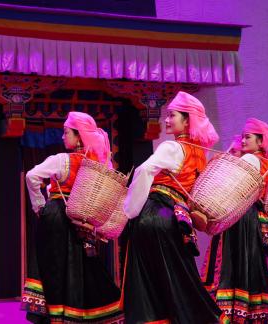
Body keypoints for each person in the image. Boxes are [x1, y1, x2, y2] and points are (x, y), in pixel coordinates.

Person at [121, 91, 222, 323]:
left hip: (155, 212)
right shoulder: (199, 153)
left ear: (187, 120)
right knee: (179, 279)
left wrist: (130, 210)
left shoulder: (172, 147)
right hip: (176, 218)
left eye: (171, 115)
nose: (166, 120)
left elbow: (144, 170)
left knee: (147, 281)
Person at [22, 112, 123, 323]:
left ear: (79, 137)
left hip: (57, 216)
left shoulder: (62, 160)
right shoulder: (98, 165)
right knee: (78, 265)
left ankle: (53, 314)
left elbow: (32, 176)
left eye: (66, 132)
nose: (62, 137)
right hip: (82, 220)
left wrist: (39, 205)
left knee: (54, 265)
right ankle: (77, 313)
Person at [201, 118, 268, 323]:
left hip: (241, 217)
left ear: (261, 142)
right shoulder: (262, 161)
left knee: (235, 264)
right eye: (242, 137)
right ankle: (253, 309)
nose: (243, 141)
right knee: (250, 263)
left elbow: (228, 179)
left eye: (248, 137)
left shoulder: (251, 160)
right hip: (250, 218)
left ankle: (233, 311)